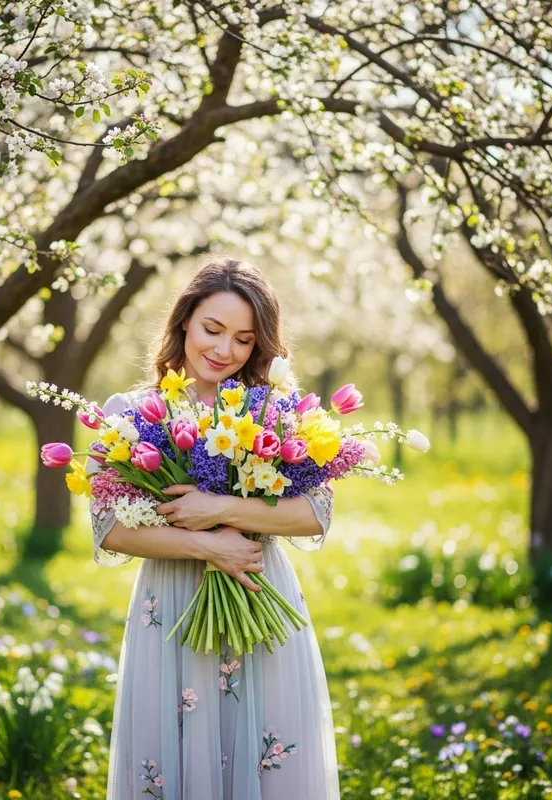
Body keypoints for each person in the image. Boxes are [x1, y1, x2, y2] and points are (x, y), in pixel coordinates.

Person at [89, 256, 339, 800]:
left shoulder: (274, 411)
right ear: (183, 321)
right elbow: (109, 528)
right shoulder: (131, 413)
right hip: (172, 609)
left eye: (244, 340)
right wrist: (206, 546)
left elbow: (314, 512)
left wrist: (217, 505)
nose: (224, 350)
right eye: (213, 329)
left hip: (259, 595)